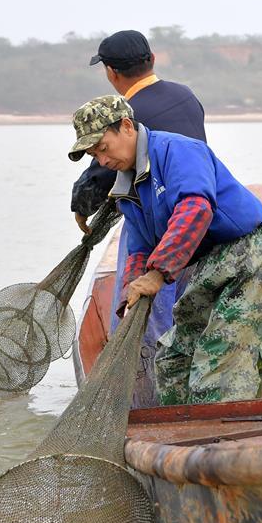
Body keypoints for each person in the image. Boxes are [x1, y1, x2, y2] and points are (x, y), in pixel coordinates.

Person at [68, 96, 262, 406]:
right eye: (95, 155)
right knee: (174, 360)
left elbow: (196, 208)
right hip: (210, 263)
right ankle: (180, 433)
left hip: (251, 256)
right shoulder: (126, 188)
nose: (102, 161)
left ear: (127, 127)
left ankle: (223, 440)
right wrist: (128, 297)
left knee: (219, 365)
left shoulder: (177, 150)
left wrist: (157, 274)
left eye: (103, 148)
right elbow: (140, 247)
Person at [71, 32, 207, 404]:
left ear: (112, 73)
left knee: (145, 317)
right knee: (186, 305)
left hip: (154, 219)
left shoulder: (128, 114)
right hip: (191, 227)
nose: (101, 155)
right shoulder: (185, 96)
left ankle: (146, 402)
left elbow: (103, 171)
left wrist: (81, 205)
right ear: (152, 59)